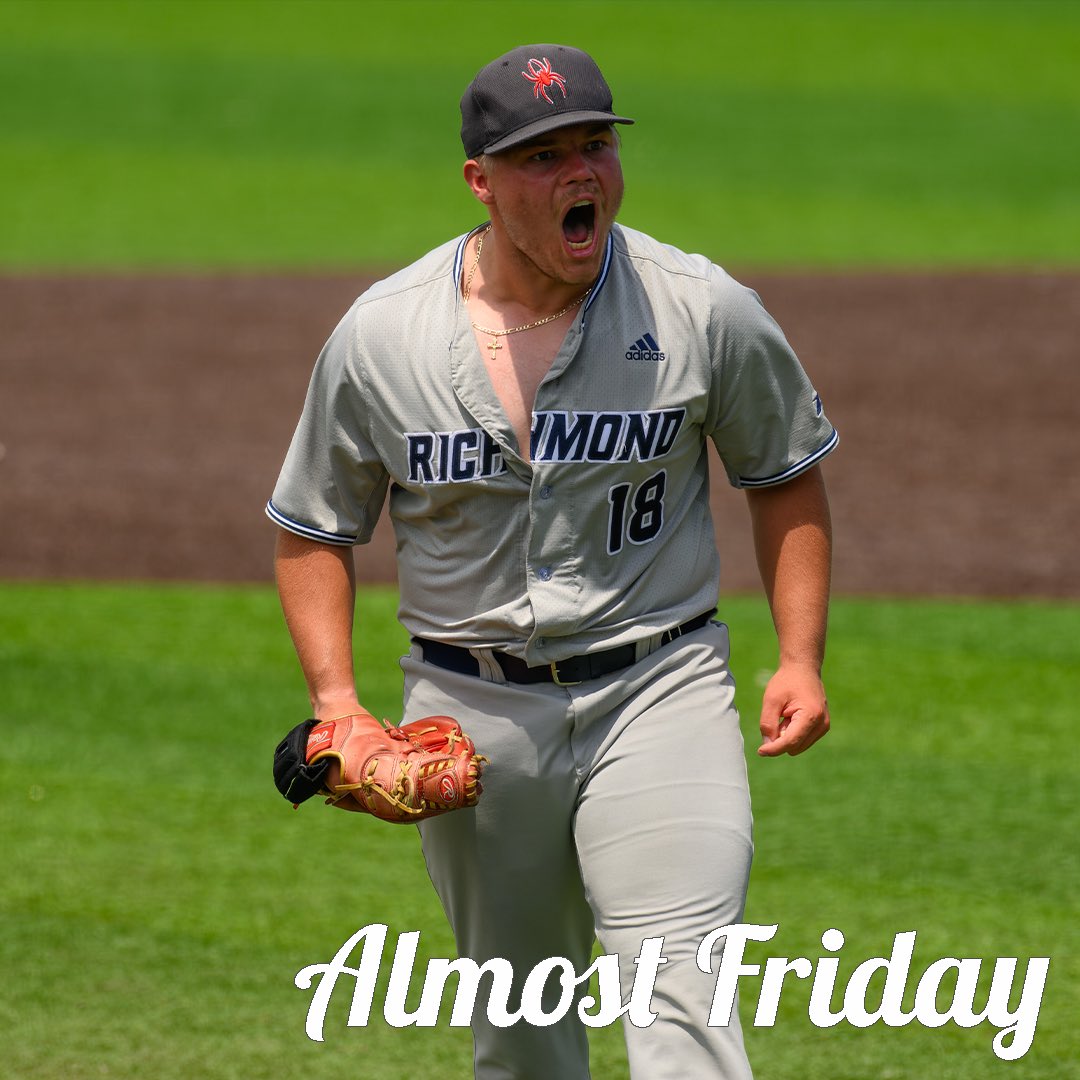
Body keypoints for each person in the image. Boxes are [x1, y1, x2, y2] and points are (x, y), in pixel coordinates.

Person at [267, 43, 836, 1080]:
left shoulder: (701, 309)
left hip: (661, 691)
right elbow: (315, 526)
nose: (581, 174)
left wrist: (800, 655)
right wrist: (338, 700)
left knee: (684, 1008)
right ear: (480, 182)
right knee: (524, 1044)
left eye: (594, 147)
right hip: (472, 715)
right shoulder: (383, 336)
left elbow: (784, 471)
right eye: (542, 158)